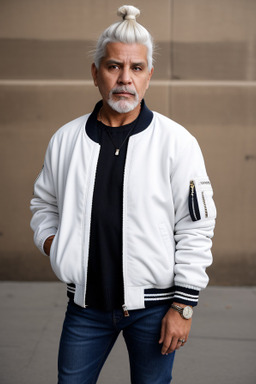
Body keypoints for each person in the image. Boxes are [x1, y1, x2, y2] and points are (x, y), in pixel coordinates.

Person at [30, 5, 216, 384]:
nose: (125, 79)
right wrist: (56, 244)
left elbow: (196, 226)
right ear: (96, 73)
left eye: (136, 68)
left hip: (154, 309)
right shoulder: (66, 140)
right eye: (114, 66)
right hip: (84, 307)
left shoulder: (176, 143)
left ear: (149, 76)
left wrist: (183, 307)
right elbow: (43, 204)